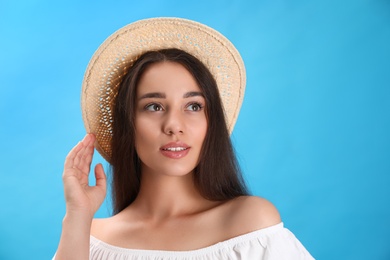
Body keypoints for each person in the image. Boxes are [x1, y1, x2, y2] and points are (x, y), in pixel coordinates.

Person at [54, 18, 314, 259]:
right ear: (128, 124)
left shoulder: (250, 224)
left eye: (193, 106)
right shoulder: (91, 241)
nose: (174, 126)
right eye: (154, 106)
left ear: (211, 121)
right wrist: (77, 216)